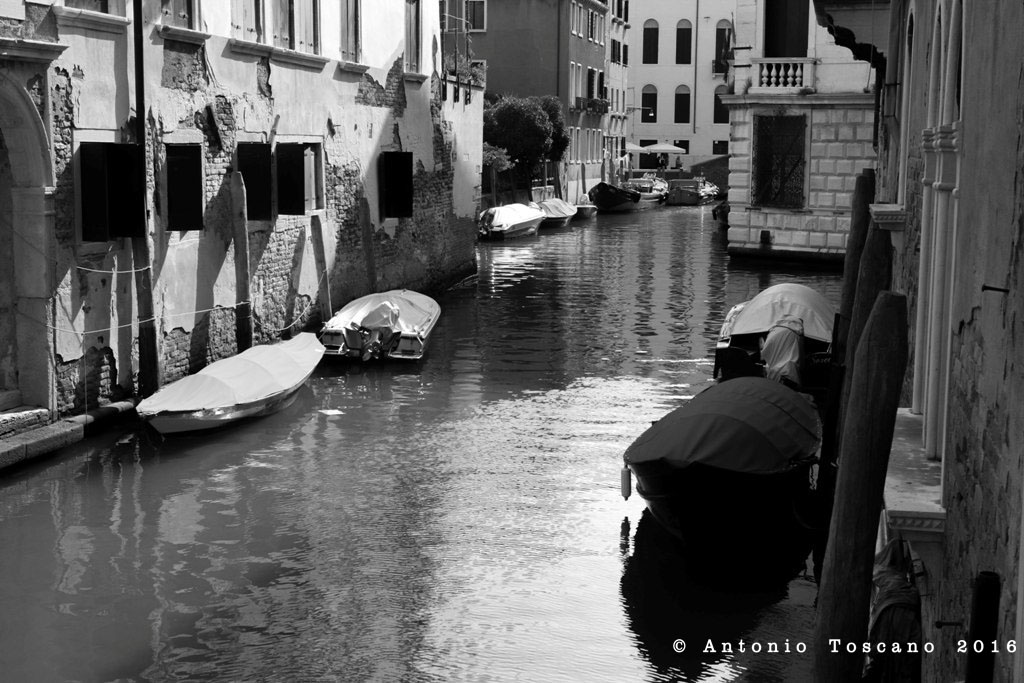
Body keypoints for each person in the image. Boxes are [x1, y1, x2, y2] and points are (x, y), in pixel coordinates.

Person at [760, 314, 804, 390]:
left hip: (771, 372)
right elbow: (800, 355)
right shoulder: (796, 333)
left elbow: (764, 353)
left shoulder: (774, 331)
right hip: (788, 373)